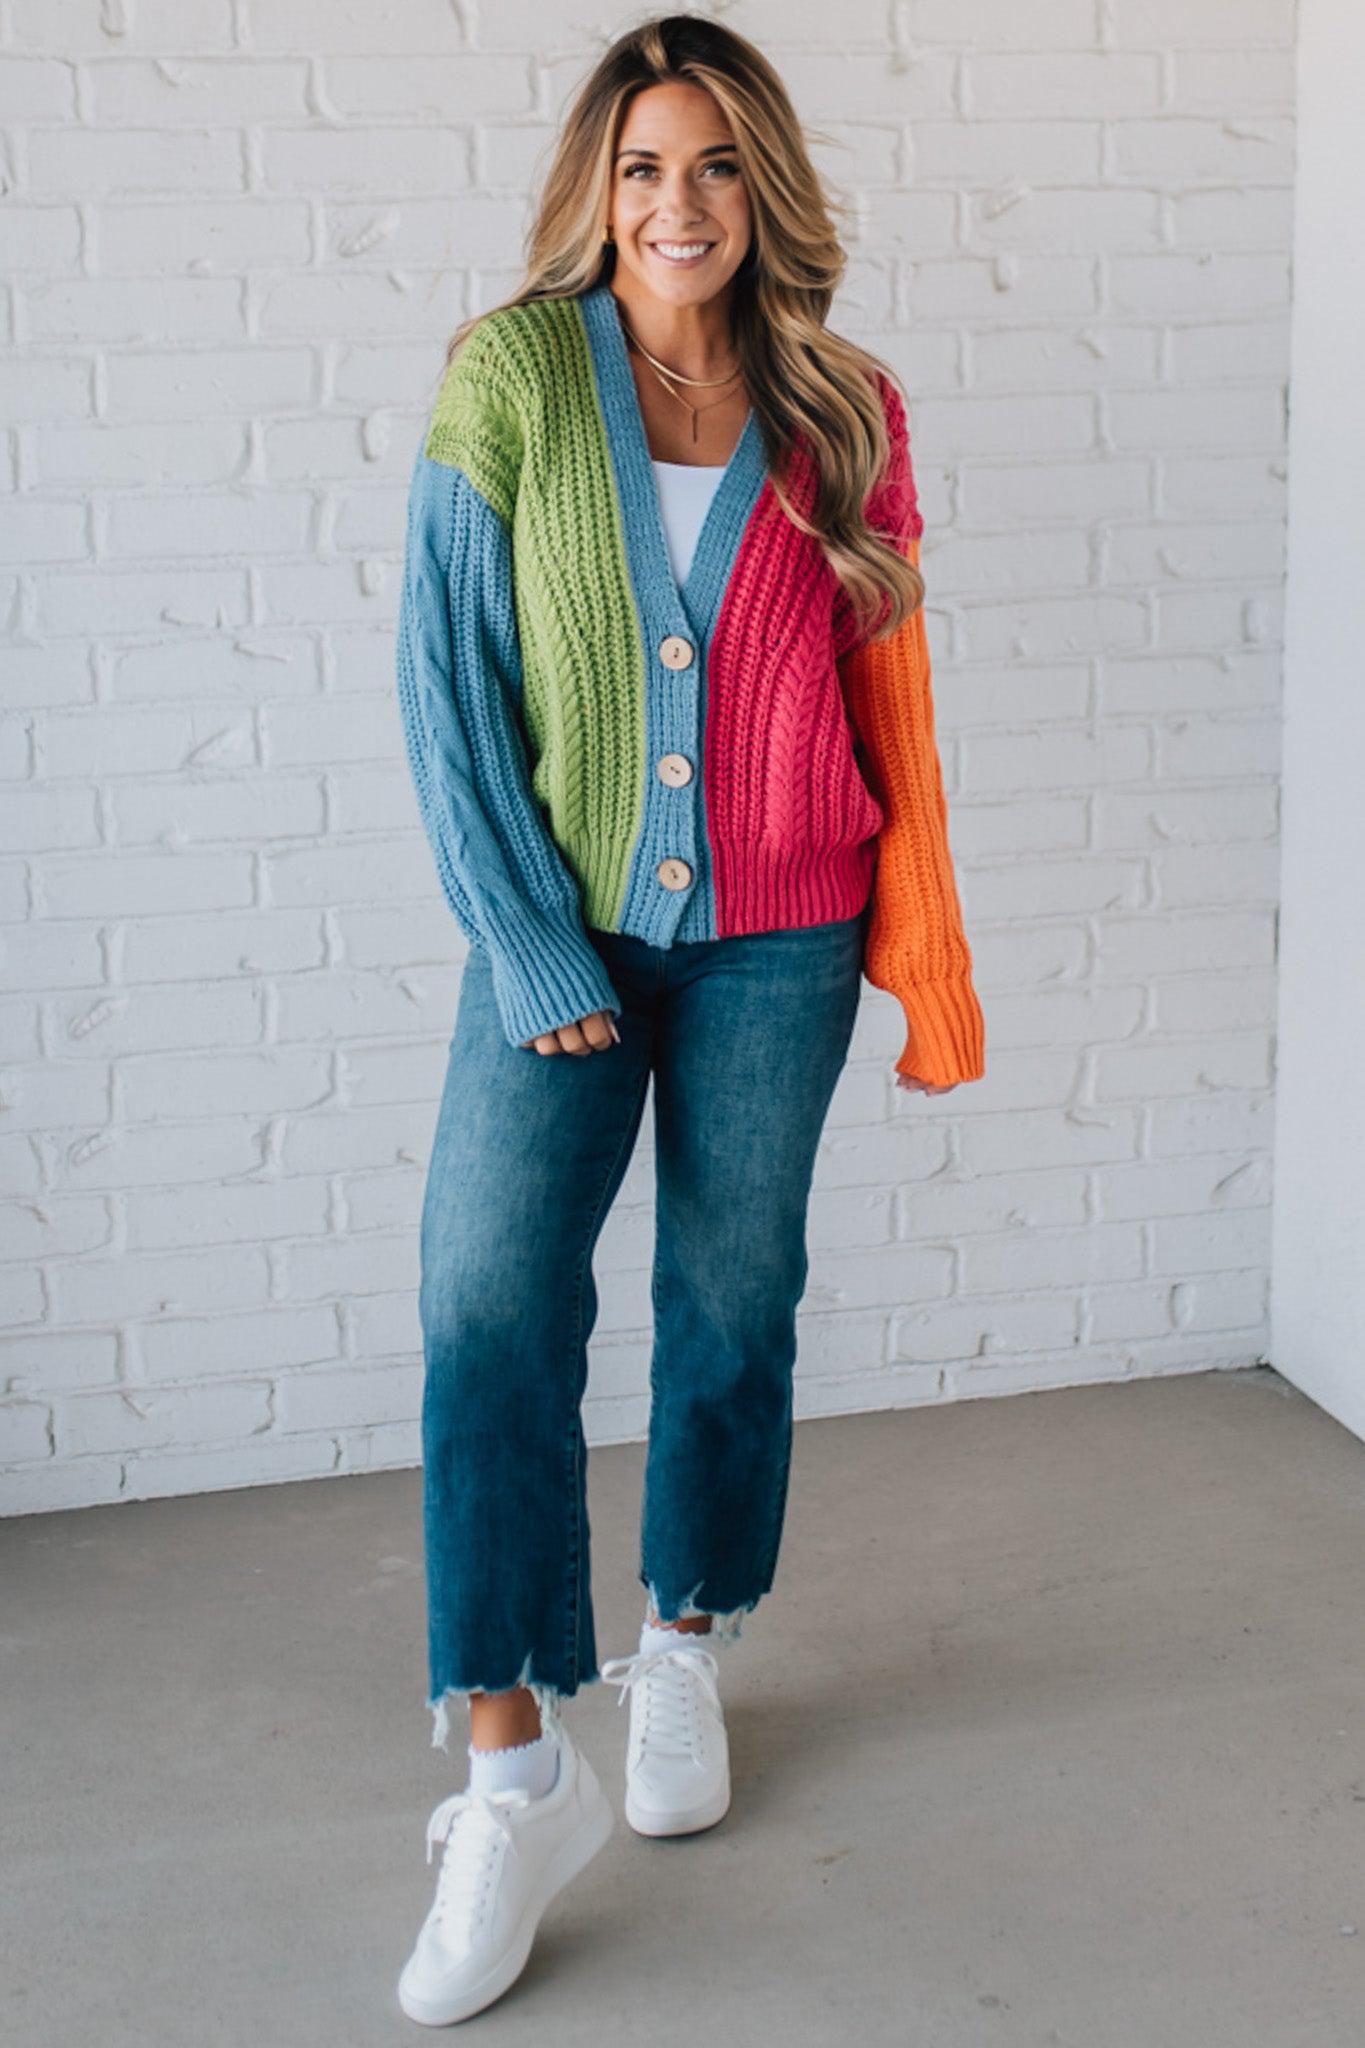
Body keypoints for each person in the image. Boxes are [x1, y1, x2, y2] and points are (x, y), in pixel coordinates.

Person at [392, 11, 986, 2025]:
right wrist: (534, 946)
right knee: (487, 1307)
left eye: (717, 164)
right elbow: (446, 690)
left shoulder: (846, 406)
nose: (680, 205)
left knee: (729, 1307)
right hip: (558, 941)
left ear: (765, 189)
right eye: (644, 167)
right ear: (595, 185)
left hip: (784, 939)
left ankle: (682, 1642)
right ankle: (505, 1765)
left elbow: (878, 703)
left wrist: (905, 932)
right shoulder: (509, 378)